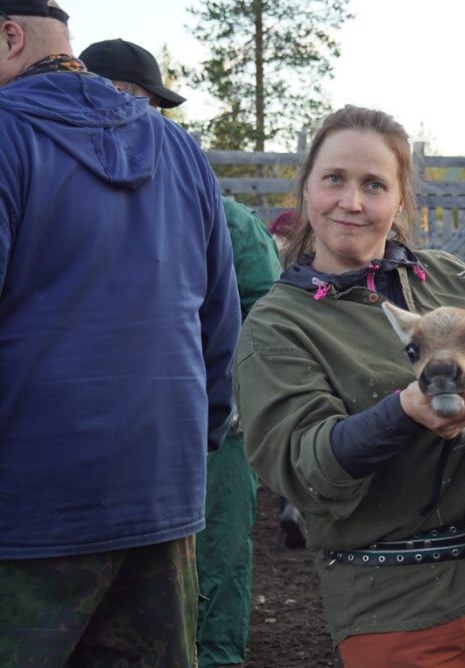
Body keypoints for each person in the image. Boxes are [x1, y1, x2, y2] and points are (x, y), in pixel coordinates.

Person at [233, 104, 465, 667]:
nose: (352, 202)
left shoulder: (455, 282)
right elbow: (303, 465)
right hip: (394, 597)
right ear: (307, 187)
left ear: (400, 198)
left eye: (374, 184)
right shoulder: (279, 327)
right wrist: (403, 413)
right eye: (334, 179)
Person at [0, 0, 240, 667]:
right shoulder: (181, 150)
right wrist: (195, 444)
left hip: (27, 512)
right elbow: (219, 321)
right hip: (161, 493)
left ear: (10, 36)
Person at [79, 37, 284, 668]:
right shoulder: (61, 204)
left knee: (215, 552)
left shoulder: (221, 216)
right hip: (100, 429)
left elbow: (265, 310)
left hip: (208, 423)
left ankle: (215, 657)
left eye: (142, 103)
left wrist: (232, 390)